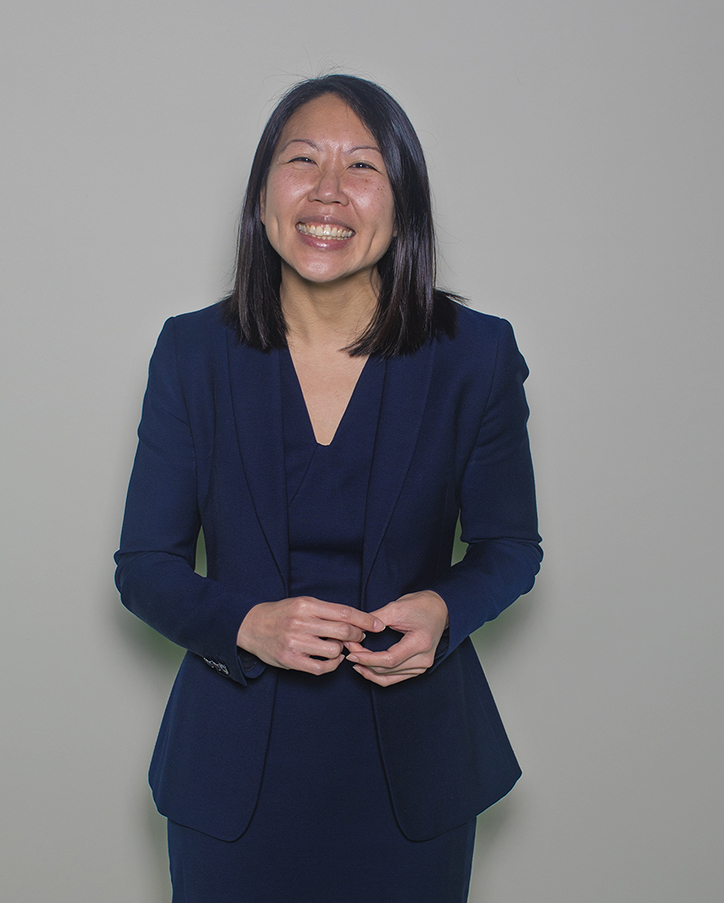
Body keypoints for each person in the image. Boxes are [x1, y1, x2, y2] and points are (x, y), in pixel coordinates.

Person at [115, 74, 541, 903]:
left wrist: (442, 610)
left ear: (403, 204)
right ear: (262, 194)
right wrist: (246, 624)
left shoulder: (476, 355)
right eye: (302, 160)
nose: (327, 192)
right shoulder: (192, 353)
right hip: (231, 771)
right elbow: (144, 565)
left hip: (413, 772)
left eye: (362, 167)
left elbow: (509, 547)